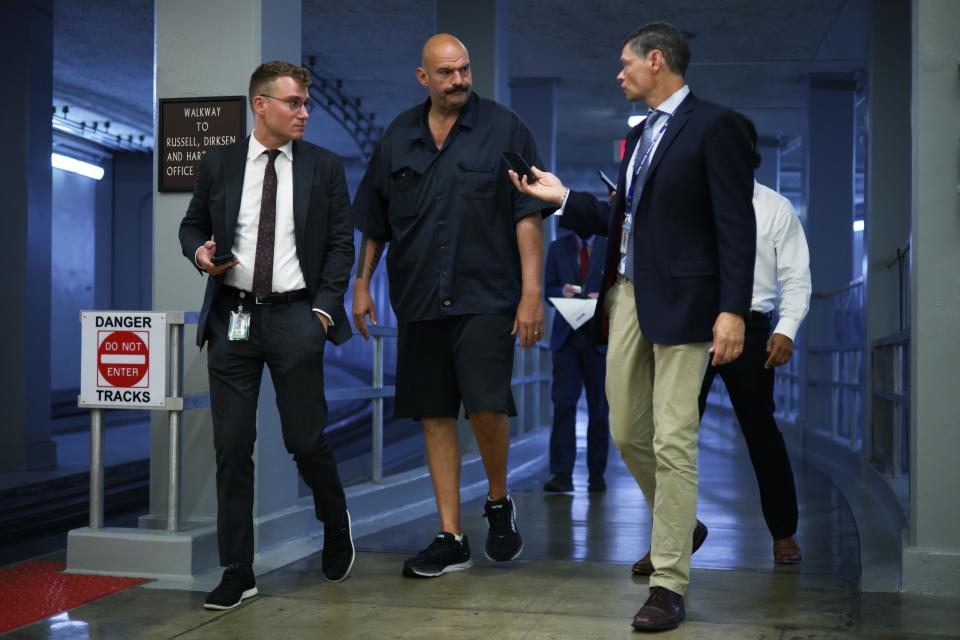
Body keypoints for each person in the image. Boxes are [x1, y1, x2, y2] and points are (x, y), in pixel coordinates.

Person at [509, 22, 756, 632]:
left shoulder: (714, 125)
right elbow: (624, 223)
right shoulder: (641, 136)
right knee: (622, 428)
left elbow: (734, 223)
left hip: (689, 304)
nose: (618, 74)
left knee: (676, 438)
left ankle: (669, 581)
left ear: (655, 61)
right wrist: (563, 197)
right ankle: (684, 522)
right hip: (622, 299)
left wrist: (733, 309)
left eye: (625, 64)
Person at [351, 33, 546, 579]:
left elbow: (527, 215)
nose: (459, 80)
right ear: (424, 78)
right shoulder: (398, 137)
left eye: (464, 70)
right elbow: (376, 219)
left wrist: (531, 295)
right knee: (434, 414)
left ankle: (499, 501)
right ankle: (450, 535)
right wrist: (362, 284)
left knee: (486, 407)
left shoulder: (505, 129)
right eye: (446, 73)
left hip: (486, 295)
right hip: (418, 299)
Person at [179, 60, 356, 610]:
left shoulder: (324, 167)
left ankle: (334, 519)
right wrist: (198, 251)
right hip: (232, 319)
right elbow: (192, 225)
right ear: (261, 105)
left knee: (305, 440)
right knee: (232, 446)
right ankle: (239, 569)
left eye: (305, 103)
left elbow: (340, 245)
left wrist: (322, 314)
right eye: (293, 103)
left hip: (295, 318)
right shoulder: (220, 163)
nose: (304, 112)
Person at [697, 116, 811, 565]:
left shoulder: (775, 208)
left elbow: (797, 278)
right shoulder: (694, 205)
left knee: (762, 433)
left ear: (750, 159)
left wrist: (786, 328)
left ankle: (784, 532)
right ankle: (670, 538)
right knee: (675, 436)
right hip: (696, 331)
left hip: (754, 331)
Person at [543, 231, 610, 493]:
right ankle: (561, 474)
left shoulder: (608, 246)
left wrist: (602, 297)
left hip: (597, 340)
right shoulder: (557, 247)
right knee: (563, 406)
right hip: (566, 339)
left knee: (600, 410)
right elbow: (547, 289)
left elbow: (619, 285)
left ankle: (597, 474)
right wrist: (562, 291)